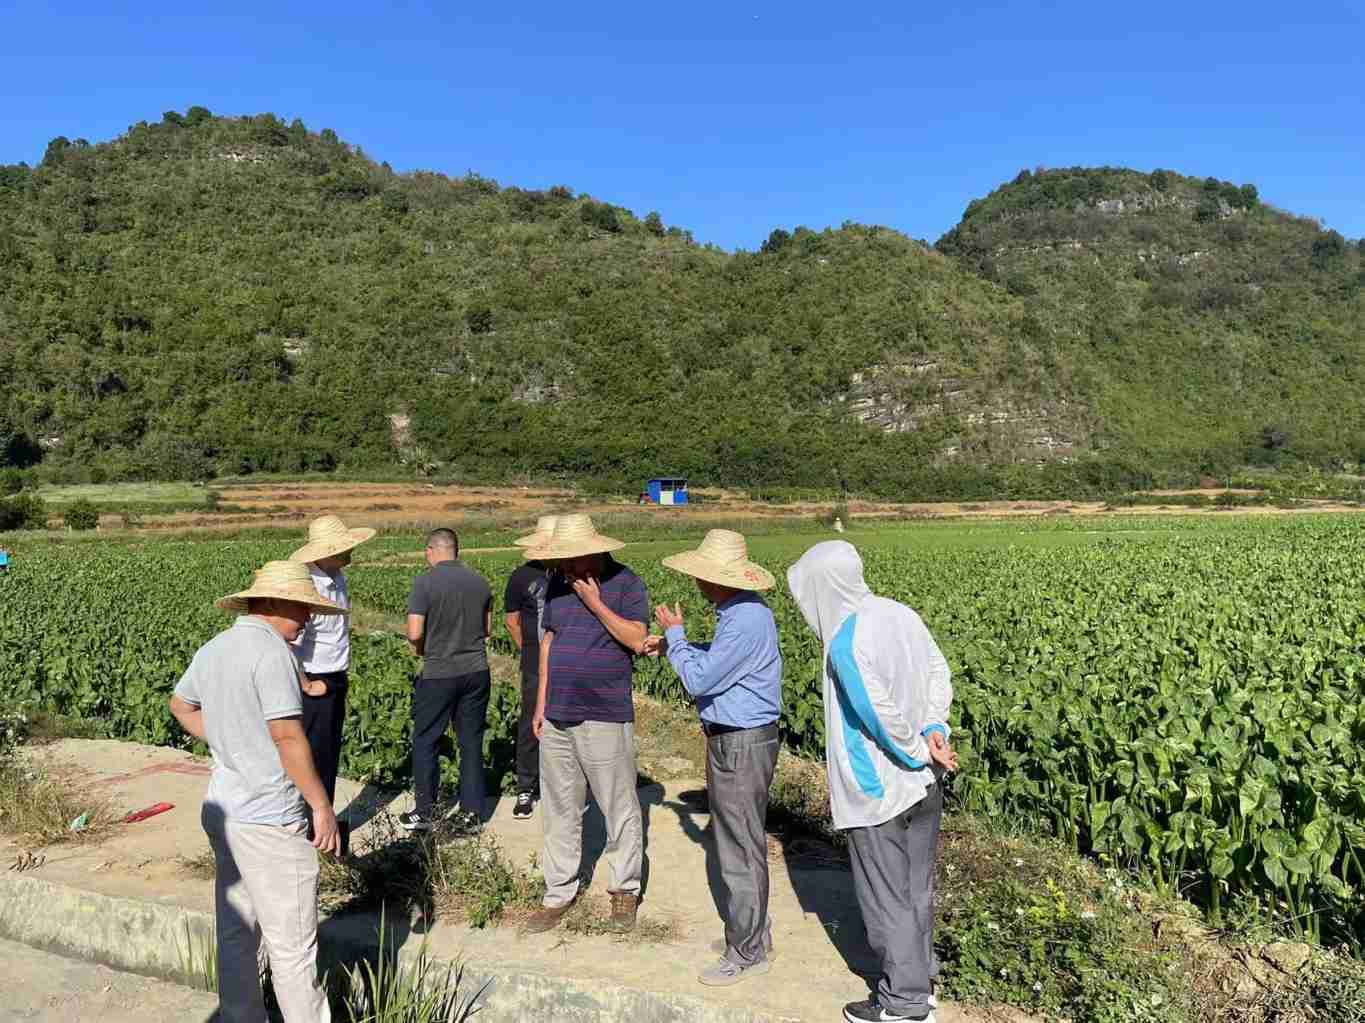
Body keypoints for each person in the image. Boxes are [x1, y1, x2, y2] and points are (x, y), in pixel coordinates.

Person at [786, 541, 958, 1023]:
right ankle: (920, 977)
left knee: (888, 899)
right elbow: (938, 673)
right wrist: (935, 731)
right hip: (926, 781)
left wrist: (917, 745)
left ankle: (903, 1003)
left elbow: (876, 714)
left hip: (879, 790)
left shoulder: (845, 641)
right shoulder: (900, 614)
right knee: (915, 889)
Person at [168, 560, 344, 1023]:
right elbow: (287, 736)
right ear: (271, 603)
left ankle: (241, 1016)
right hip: (269, 817)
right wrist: (321, 805)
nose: (308, 618)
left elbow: (181, 706)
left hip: (225, 809)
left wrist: (229, 738)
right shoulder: (272, 655)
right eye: (302, 608)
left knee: (236, 930)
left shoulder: (215, 648)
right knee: (293, 948)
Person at [644, 529, 782, 987]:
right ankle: (753, 935)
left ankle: (746, 952)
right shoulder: (741, 613)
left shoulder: (743, 619)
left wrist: (677, 637)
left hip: (741, 742)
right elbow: (724, 664)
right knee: (739, 840)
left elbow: (701, 681)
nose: (696, 582)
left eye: (700, 575)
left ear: (715, 579)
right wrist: (675, 647)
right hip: (739, 738)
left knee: (739, 847)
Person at [522, 514, 648, 935]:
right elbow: (548, 641)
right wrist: (540, 703)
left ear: (595, 550)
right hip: (557, 712)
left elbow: (635, 638)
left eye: (573, 558)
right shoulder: (557, 582)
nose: (567, 566)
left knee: (619, 804)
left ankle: (624, 890)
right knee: (560, 805)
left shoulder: (627, 584)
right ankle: (558, 892)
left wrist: (596, 604)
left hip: (605, 712)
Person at [402, 528, 493, 833]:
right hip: (477, 670)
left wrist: (420, 650)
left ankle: (425, 811)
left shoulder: (424, 581)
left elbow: (415, 632)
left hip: (440, 671)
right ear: (456, 549)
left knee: (426, 739)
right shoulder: (480, 582)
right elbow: (488, 629)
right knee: (470, 741)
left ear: (431, 550)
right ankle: (471, 814)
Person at [288, 514, 375, 822]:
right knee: (312, 756)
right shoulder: (307, 585)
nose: (351, 551)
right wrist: (305, 682)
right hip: (315, 679)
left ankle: (320, 823)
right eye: (345, 547)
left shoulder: (337, 577)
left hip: (336, 676)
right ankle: (308, 823)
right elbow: (287, 639)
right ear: (327, 552)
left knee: (329, 752)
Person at [504, 515, 559, 820]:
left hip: (570, 662)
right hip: (534, 663)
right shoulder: (521, 576)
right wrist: (530, 651)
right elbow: (511, 621)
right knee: (530, 722)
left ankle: (562, 784)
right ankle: (526, 786)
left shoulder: (571, 574)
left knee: (569, 721)